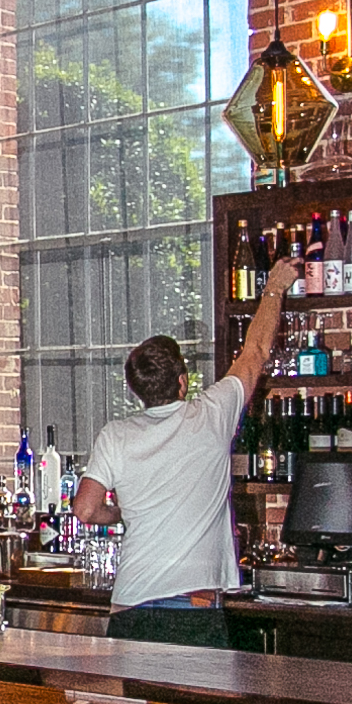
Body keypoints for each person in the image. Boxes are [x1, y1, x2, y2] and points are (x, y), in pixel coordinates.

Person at [71, 257, 301, 621]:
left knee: (134, 681)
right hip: (192, 603)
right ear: (183, 381)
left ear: (138, 391)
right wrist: (274, 288)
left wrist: (119, 513)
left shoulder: (115, 435)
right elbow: (254, 353)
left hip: (129, 601)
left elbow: (85, 510)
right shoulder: (211, 415)